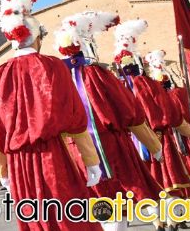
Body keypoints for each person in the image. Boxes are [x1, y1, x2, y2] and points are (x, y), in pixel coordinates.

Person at [0, 0, 102, 231]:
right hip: (53, 157)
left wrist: (3, 169)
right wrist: (91, 159)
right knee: (69, 220)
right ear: (36, 37)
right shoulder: (52, 66)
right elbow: (74, 117)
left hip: (20, 164)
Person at [55, 12, 165, 231]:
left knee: (99, 200)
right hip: (110, 147)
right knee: (124, 190)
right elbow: (127, 111)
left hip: (76, 150)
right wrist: (153, 144)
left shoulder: (57, 79)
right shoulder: (98, 75)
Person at [114, 21, 190, 231]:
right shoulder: (147, 84)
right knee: (167, 179)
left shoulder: (117, 86)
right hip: (159, 140)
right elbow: (171, 113)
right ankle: (171, 219)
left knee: (145, 182)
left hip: (131, 144)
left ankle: (157, 220)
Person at [147, 50, 190, 209]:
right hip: (186, 136)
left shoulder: (159, 97)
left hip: (170, 139)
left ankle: (186, 205)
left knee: (179, 173)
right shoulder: (180, 92)